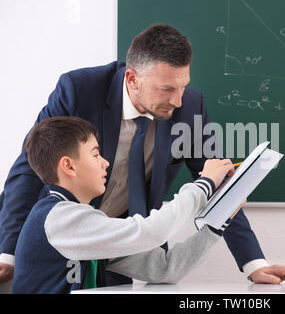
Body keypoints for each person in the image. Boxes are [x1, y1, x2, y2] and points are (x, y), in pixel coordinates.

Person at [0, 24, 285, 286]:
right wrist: (8, 253)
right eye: (166, 89)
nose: (177, 100)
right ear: (132, 79)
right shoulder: (79, 89)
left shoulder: (188, 107)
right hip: (66, 240)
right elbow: (29, 167)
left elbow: (222, 184)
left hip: (123, 243)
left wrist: (253, 263)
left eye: (183, 87)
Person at [12, 116, 241, 293]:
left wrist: (215, 224)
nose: (105, 163)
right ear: (69, 166)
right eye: (95, 155)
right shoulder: (57, 218)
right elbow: (150, 232)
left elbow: (165, 269)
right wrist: (205, 184)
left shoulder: (87, 226)